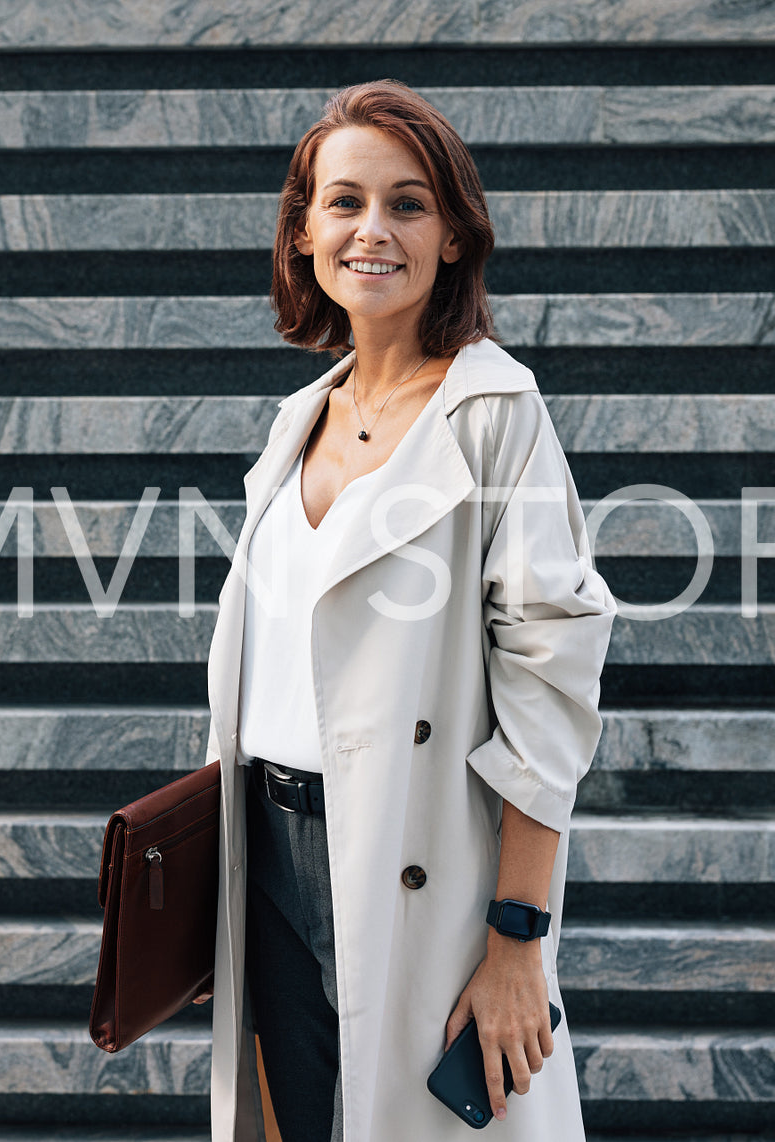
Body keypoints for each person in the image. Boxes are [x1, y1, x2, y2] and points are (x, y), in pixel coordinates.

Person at [198, 79, 619, 1142]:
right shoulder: (297, 420)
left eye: (407, 203)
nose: (370, 230)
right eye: (342, 203)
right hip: (266, 854)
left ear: (451, 238)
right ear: (301, 234)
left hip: (411, 851)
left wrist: (519, 940)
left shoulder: (494, 417)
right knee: (293, 1120)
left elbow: (550, 698)